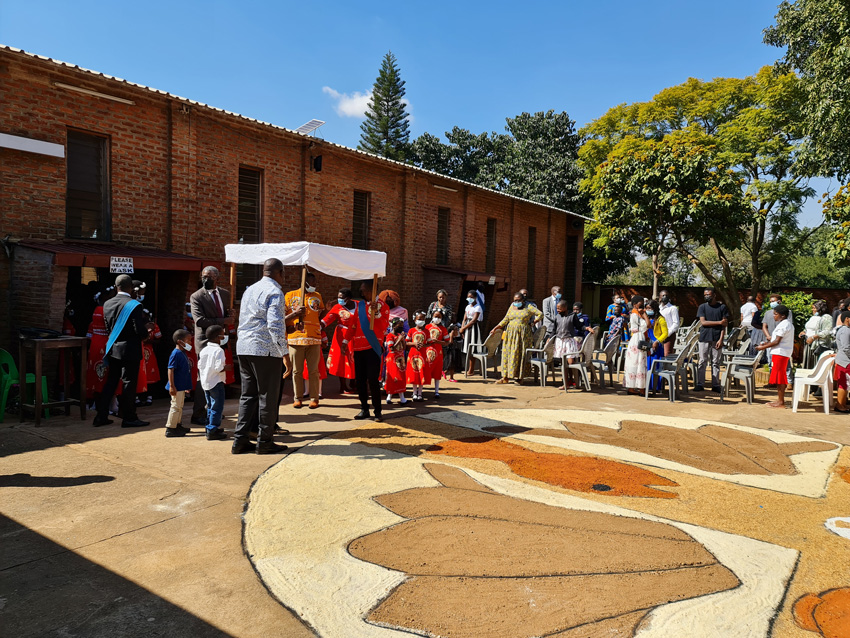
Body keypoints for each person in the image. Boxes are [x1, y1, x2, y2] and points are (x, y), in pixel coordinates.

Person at [232, 258, 289, 455]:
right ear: (279, 273)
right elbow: (275, 325)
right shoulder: (275, 292)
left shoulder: (250, 289)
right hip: (265, 350)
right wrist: (285, 353)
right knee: (268, 396)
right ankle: (265, 441)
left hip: (245, 347)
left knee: (248, 395)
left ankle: (240, 440)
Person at [93, 274, 152, 428]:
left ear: (115, 286)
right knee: (128, 384)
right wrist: (147, 332)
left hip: (113, 347)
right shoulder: (134, 305)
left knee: (111, 382)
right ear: (131, 288)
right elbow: (138, 329)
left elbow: (108, 328)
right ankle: (129, 418)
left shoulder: (107, 304)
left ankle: (101, 416)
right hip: (129, 349)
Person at [190, 266, 233, 425]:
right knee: (204, 377)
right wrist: (223, 321)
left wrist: (229, 317)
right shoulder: (197, 296)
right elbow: (200, 321)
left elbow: (225, 315)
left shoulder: (225, 294)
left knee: (218, 374)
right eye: (203, 276)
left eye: (209, 277)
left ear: (217, 278)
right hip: (205, 341)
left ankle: (212, 411)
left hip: (221, 340)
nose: (205, 279)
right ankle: (198, 413)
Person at [347, 282, 390, 421]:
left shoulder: (383, 306)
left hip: (373, 348)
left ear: (372, 290)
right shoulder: (359, 306)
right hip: (358, 348)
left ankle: (377, 411)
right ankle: (364, 409)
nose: (360, 291)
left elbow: (384, 326)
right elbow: (353, 325)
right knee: (359, 381)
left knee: (373, 380)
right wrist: (344, 341)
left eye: (363, 290)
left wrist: (376, 313)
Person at [285, 272, 323, 409]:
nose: (314, 285)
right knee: (296, 371)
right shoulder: (290, 295)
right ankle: (298, 398)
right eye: (312, 282)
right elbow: (284, 314)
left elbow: (319, 312)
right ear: (304, 282)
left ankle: (314, 398)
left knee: (313, 370)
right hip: (296, 338)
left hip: (314, 338)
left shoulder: (317, 296)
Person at [490, 292, 543, 384]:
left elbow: (540, 314)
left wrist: (533, 322)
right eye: (515, 300)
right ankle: (505, 377)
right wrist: (496, 328)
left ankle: (520, 378)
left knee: (520, 355)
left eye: (518, 300)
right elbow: (506, 319)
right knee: (507, 353)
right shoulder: (512, 306)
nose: (516, 302)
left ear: (523, 300)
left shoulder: (528, 307)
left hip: (523, 335)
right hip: (510, 334)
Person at [755, 304, 794, 409]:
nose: (774, 316)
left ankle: (781, 402)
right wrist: (766, 344)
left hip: (780, 353)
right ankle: (779, 400)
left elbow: (777, 341)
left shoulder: (784, 324)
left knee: (780, 377)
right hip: (780, 352)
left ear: (782, 315)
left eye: (776, 314)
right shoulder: (785, 324)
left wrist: (762, 348)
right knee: (779, 377)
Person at [322, 288, 357, 394]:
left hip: (356, 336)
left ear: (348, 298)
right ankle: (343, 386)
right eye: (338, 297)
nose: (339, 300)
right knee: (342, 360)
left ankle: (353, 382)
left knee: (355, 359)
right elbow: (328, 319)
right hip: (341, 336)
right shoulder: (337, 307)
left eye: (341, 298)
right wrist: (319, 326)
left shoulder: (359, 305)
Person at [198, 325, 230, 441]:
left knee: (210, 406)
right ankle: (213, 429)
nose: (224, 337)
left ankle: (209, 426)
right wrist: (227, 368)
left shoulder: (204, 350)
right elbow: (218, 368)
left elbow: (200, 365)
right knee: (217, 406)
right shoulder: (218, 350)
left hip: (206, 381)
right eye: (223, 335)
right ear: (218, 337)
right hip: (216, 382)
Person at [696, 288, 730, 393]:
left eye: (709, 294)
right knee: (702, 361)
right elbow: (703, 323)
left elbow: (724, 325)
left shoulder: (722, 307)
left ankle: (715, 385)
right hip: (704, 337)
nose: (707, 296)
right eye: (705, 294)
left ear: (714, 295)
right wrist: (719, 322)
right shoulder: (702, 307)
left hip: (716, 338)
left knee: (715, 362)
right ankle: (700, 384)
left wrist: (721, 339)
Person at [164, 329, 194, 438]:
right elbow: (170, 370)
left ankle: (177, 424)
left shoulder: (182, 353)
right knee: (175, 406)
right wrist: (172, 386)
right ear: (180, 341)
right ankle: (170, 428)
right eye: (188, 340)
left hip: (181, 386)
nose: (190, 343)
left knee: (179, 406)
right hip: (176, 386)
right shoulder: (176, 353)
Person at [427, 289, 457, 382]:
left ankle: (440, 369)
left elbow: (448, 319)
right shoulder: (433, 304)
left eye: (443, 297)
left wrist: (442, 327)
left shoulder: (448, 307)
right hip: (432, 328)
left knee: (442, 349)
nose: (441, 299)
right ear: (437, 297)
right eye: (440, 297)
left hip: (443, 329)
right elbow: (428, 315)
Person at [763, 293, 793, 384]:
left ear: (779, 302)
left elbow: (786, 327)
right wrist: (768, 336)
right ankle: (773, 381)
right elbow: (764, 326)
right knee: (770, 362)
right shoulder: (768, 313)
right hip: (770, 342)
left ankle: (789, 382)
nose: (771, 303)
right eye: (770, 302)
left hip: (781, 344)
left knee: (785, 365)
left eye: (773, 301)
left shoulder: (787, 313)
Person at [552, 300, 583, 389]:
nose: (557, 310)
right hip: (560, 341)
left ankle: (573, 379)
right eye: (557, 308)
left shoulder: (572, 316)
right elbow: (554, 330)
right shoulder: (557, 317)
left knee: (570, 362)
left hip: (569, 341)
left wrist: (587, 328)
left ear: (565, 308)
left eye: (559, 308)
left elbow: (579, 326)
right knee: (563, 363)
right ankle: (565, 383)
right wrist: (550, 338)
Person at [623, 296, 649, 395]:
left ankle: (633, 388)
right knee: (638, 363)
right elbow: (648, 325)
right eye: (640, 303)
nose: (643, 305)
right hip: (638, 339)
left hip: (638, 338)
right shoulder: (635, 314)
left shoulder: (637, 314)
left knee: (636, 362)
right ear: (635, 305)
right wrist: (645, 314)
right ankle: (639, 388)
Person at [425, 309, 451, 398]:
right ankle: (419, 391)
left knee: (437, 371)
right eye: (435, 316)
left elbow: (447, 342)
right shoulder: (427, 327)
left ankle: (436, 391)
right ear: (432, 316)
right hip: (427, 352)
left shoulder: (443, 329)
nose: (437, 318)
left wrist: (438, 341)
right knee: (425, 370)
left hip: (438, 353)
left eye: (439, 317)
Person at [406, 311, 431, 401]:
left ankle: (420, 393)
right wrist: (414, 343)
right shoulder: (411, 330)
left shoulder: (426, 331)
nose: (421, 321)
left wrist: (423, 345)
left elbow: (429, 343)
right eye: (419, 319)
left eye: (423, 319)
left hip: (422, 354)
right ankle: (414, 393)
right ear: (415, 320)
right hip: (413, 354)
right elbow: (406, 342)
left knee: (421, 372)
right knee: (414, 372)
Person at [646, 299, 669, 393]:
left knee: (655, 367)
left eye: (650, 308)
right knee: (647, 366)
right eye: (646, 308)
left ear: (654, 309)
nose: (648, 310)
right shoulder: (647, 318)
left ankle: (656, 387)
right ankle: (648, 386)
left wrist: (657, 341)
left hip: (656, 346)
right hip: (648, 345)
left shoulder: (660, 319)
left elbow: (665, 333)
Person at [384, 318, 407, 405]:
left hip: (400, 359)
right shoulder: (390, 336)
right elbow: (391, 348)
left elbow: (404, 347)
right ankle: (391, 397)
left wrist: (402, 340)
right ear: (394, 326)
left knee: (400, 378)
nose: (401, 327)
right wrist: (398, 340)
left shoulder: (399, 335)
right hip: (393, 360)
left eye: (402, 326)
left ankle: (398, 398)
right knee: (394, 377)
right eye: (399, 325)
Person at [460, 290, 483, 376]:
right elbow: (464, 318)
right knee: (467, 348)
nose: (469, 299)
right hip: (466, 327)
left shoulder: (478, 307)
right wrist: (462, 328)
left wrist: (464, 328)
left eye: (471, 297)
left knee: (472, 349)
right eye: (468, 297)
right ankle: (468, 367)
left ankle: (471, 369)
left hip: (473, 329)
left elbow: (473, 320)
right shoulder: (468, 307)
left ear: (475, 297)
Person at [831, 311, 850, 413]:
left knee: (845, 384)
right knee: (844, 384)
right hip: (845, 361)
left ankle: (842, 404)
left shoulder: (844, 330)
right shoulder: (845, 331)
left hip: (844, 360)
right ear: (847, 319)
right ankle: (839, 405)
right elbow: (846, 347)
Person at [658, 291, 680, 356]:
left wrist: (667, 334)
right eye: (663, 295)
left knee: (666, 355)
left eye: (666, 296)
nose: (665, 297)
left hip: (669, 336)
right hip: (658, 335)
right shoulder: (658, 308)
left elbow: (676, 323)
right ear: (659, 297)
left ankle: (667, 366)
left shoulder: (673, 308)